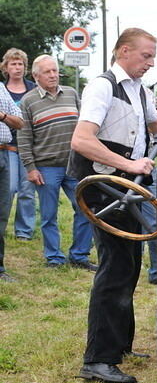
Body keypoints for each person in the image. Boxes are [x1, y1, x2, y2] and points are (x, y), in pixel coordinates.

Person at [71, 28, 157, 383]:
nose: (151, 62)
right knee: (115, 269)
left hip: (125, 189)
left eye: (152, 57)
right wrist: (131, 165)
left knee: (129, 266)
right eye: (146, 56)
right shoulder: (102, 87)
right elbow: (82, 140)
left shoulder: (138, 90)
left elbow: (156, 123)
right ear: (124, 52)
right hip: (104, 189)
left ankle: (119, 346)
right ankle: (98, 360)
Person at [20, 55, 95, 270]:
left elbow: (85, 125)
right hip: (45, 167)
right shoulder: (28, 101)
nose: (53, 75)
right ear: (36, 76)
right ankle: (54, 257)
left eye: (55, 71)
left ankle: (79, 255)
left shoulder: (71, 93)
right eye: (47, 72)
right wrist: (30, 168)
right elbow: (24, 138)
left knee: (85, 208)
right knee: (48, 215)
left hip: (75, 164)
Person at [1, 48, 37, 241]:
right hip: (9, 146)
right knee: (9, 188)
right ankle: (2, 227)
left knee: (27, 190)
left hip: (29, 146)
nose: (17, 67)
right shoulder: (2, 89)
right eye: (13, 64)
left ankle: (24, 231)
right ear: (6, 67)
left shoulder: (33, 88)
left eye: (20, 64)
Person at [0, 60, 25, 282]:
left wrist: (2, 116)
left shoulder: (0, 89)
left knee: (2, 212)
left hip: (3, 154)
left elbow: (20, 121)